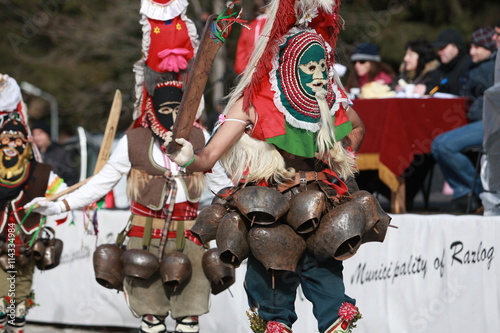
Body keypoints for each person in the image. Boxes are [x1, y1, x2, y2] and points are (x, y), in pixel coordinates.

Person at [166, 1, 390, 332]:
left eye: (320, 67)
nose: (317, 75)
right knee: (272, 301)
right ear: (286, 65)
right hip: (268, 210)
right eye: (308, 67)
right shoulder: (253, 103)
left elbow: (356, 127)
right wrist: (187, 156)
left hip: (320, 204)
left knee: (330, 295)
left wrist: (338, 156)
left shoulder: (328, 101)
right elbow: (209, 157)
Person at [0, 78, 68, 333]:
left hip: (24, 233)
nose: (10, 145)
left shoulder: (39, 171)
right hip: (0, 232)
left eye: (16, 140)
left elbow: (60, 191)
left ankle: (17, 316)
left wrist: (68, 198)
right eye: (5, 139)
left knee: (20, 275)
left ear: (25, 143)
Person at [432, 26, 497, 213]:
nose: (471, 52)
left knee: (443, 145)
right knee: (438, 144)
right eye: (471, 47)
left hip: (490, 123)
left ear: (489, 47)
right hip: (481, 120)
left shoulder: (487, 68)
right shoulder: (480, 66)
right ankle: (465, 193)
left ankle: (478, 193)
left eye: (477, 47)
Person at [480, 19, 500, 215]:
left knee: (445, 145)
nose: (494, 38)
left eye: (498, 34)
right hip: (490, 120)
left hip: (487, 119)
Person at [31, 120, 79, 186]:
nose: (36, 137)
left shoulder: (62, 153)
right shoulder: (33, 154)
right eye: (34, 134)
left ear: (47, 135)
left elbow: (72, 176)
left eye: (39, 134)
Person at [426, 28, 471, 95]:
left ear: (455, 47)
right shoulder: (442, 67)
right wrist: (425, 87)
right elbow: (434, 82)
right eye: (438, 49)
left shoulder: (468, 66)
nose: (439, 52)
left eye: (443, 47)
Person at [234, 0, 271, 75]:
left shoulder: (248, 28)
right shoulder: (277, 25)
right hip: (272, 76)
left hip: (252, 77)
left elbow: (240, 64)